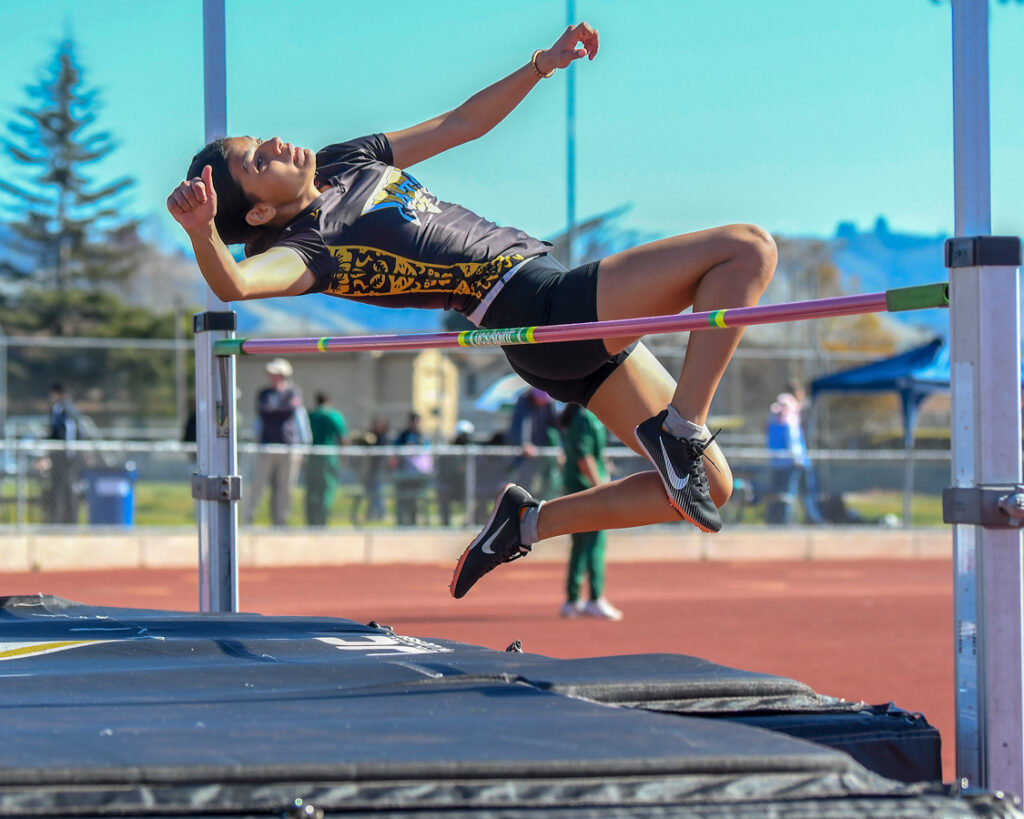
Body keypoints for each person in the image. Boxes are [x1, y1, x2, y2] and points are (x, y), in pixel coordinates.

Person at [166, 21, 777, 600]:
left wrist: (542, 64)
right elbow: (237, 285)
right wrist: (201, 234)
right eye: (257, 162)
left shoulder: (344, 161)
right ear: (257, 215)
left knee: (709, 488)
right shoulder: (309, 248)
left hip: (550, 325)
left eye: (260, 142)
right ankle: (682, 431)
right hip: (540, 311)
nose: (274, 144)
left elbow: (463, 122)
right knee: (747, 249)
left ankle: (527, 523)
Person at [559, 403, 622, 620]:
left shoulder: (582, 417)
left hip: (580, 486)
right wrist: (601, 487)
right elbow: (583, 457)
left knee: (579, 544)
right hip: (587, 488)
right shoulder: (586, 418)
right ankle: (595, 598)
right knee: (595, 543)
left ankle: (572, 600)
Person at [245, 358, 303, 526]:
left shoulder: (293, 391)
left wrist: (277, 409)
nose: (272, 377)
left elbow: (290, 411)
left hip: (288, 446)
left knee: (285, 487)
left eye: (275, 373)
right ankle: (248, 518)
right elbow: (265, 412)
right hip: (268, 445)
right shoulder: (265, 393)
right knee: (258, 484)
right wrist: (280, 409)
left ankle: (280, 521)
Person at [766, 380, 824, 525]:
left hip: (778, 459)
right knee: (791, 493)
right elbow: (792, 436)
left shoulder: (776, 410)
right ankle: (798, 519)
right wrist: (797, 457)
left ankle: (779, 520)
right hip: (794, 460)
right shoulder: (789, 409)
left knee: (781, 492)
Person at [506, 387, 562, 498]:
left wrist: (561, 448)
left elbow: (556, 426)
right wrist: (524, 443)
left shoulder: (549, 405)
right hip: (525, 455)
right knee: (523, 483)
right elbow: (523, 423)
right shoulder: (524, 401)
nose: (543, 404)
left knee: (546, 484)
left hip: (541, 452)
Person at [304, 392, 349, 526]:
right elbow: (343, 437)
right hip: (328, 457)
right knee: (326, 490)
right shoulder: (333, 415)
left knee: (312, 489)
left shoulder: (310, 415)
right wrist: (344, 456)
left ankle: (311, 521)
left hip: (311, 457)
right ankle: (322, 520)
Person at [45, 382, 82, 524]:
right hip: (59, 456)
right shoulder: (56, 410)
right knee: (58, 489)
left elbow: (69, 434)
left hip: (67, 457)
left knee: (68, 489)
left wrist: (68, 454)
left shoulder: (66, 410)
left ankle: (71, 521)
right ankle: (57, 521)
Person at [392, 412, 433, 526]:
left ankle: (413, 522)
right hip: (404, 474)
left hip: (417, 474)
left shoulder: (422, 436)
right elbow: (396, 448)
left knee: (415, 499)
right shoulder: (403, 435)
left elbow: (427, 450)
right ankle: (401, 523)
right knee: (402, 499)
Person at [437, 419, 474, 527]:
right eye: (462, 435)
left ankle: (470, 521)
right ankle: (445, 523)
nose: (464, 438)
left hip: (465, 484)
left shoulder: (472, 449)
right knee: (444, 493)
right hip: (451, 483)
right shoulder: (450, 449)